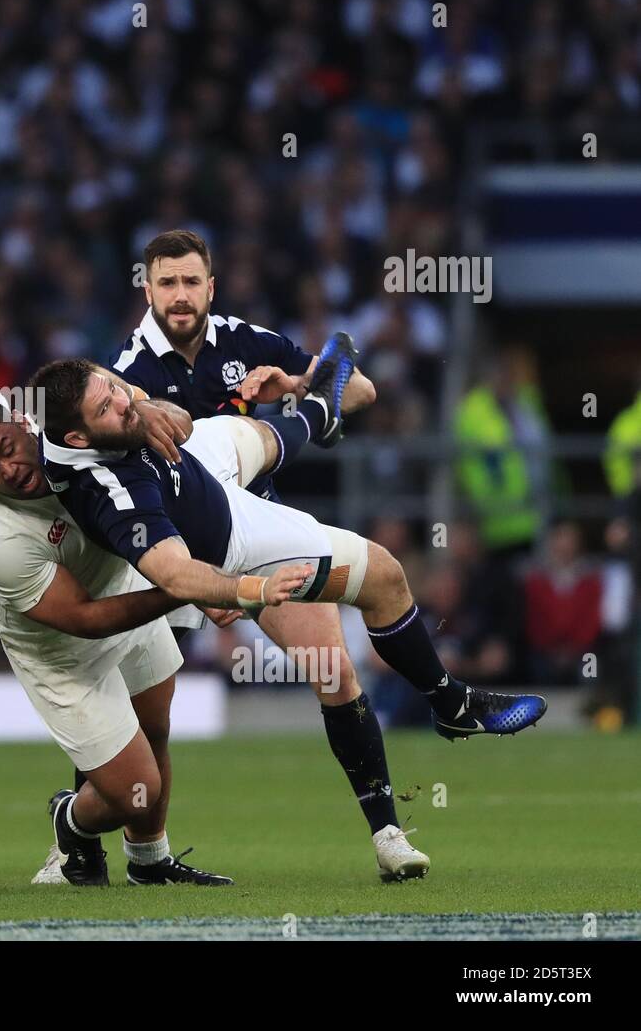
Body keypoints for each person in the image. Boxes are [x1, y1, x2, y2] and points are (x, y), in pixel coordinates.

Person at [29, 358, 550, 880]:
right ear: (77, 437)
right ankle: (450, 702)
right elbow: (175, 575)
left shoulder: (100, 393)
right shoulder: (108, 488)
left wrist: (138, 407)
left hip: (198, 461)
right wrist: (248, 589)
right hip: (235, 534)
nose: (119, 400)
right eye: (107, 406)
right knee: (385, 579)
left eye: (191, 279)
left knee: (264, 435)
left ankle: (317, 411)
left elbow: (178, 422)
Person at [109, 230, 418, 868]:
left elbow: (358, 390)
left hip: (261, 536)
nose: (180, 295)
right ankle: (79, 835)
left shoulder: (246, 342)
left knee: (334, 672)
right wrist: (206, 584)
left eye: (192, 281)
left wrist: (300, 383)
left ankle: (389, 837)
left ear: (211, 286)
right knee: (146, 716)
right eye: (166, 282)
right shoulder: (127, 376)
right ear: (148, 289)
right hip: (174, 551)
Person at [0, 392, 293, 886]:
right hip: (60, 647)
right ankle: (70, 822)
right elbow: (85, 619)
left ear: (24, 421)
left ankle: (150, 864)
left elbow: (154, 428)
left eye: (6, 447)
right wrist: (185, 588)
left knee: (156, 733)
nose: (8, 469)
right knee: (138, 789)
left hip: (129, 587)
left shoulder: (76, 432)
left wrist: (146, 408)